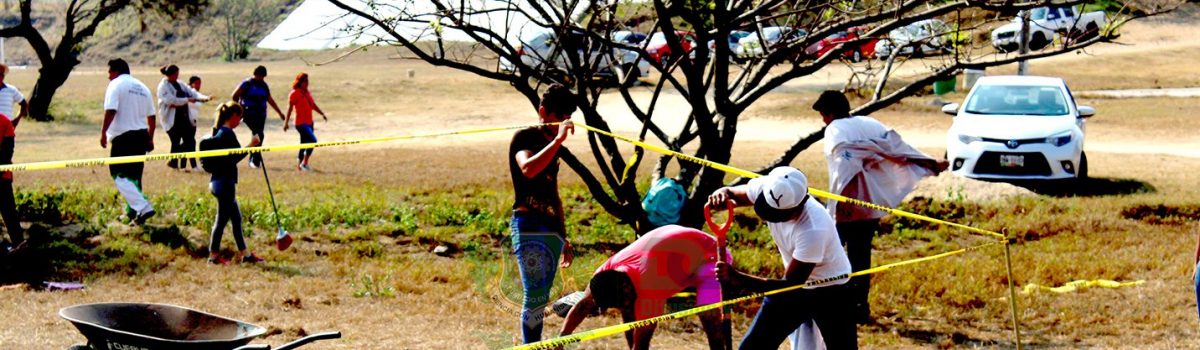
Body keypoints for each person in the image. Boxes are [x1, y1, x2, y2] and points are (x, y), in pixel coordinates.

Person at [813, 90, 944, 324]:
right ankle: (859, 307)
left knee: (830, 256)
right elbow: (900, 149)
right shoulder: (870, 123)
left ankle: (833, 305)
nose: (823, 120)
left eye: (823, 114)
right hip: (870, 205)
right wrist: (929, 162)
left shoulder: (835, 130)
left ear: (830, 113)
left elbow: (845, 169)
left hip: (849, 204)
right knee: (860, 256)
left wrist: (840, 204)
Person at [708, 167, 856, 349]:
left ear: (799, 205)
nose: (771, 216)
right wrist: (721, 193)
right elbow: (733, 194)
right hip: (793, 287)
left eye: (777, 215)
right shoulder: (769, 186)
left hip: (831, 292)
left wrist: (738, 278)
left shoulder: (813, 229)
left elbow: (789, 287)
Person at [559, 224, 729, 349]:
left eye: (620, 304)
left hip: (713, 256)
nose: (620, 309)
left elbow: (642, 345)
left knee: (709, 315)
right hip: (675, 246)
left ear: (626, 290)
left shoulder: (651, 288)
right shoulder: (605, 273)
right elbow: (584, 304)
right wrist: (561, 339)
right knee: (629, 308)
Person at [508, 83, 576, 343]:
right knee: (535, 295)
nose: (562, 125)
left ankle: (533, 344)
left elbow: (553, 193)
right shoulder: (524, 137)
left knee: (541, 296)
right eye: (559, 119)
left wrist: (563, 234)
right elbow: (528, 169)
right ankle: (531, 347)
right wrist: (558, 140)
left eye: (566, 121)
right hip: (528, 223)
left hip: (548, 225)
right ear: (543, 111)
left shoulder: (552, 146)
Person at [203, 102, 264, 265]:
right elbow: (233, 158)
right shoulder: (227, 134)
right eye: (240, 116)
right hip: (225, 184)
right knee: (223, 221)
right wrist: (251, 146)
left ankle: (244, 254)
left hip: (218, 183)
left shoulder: (219, 132)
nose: (241, 120)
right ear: (234, 116)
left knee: (234, 219)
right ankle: (214, 256)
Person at [101, 58, 157, 226]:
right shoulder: (142, 87)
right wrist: (150, 137)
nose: (108, 77)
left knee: (118, 174)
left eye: (109, 72)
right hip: (141, 136)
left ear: (116, 71)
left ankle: (143, 207)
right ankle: (134, 214)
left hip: (124, 137)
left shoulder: (116, 84)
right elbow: (152, 116)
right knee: (134, 176)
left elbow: (111, 110)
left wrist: (103, 132)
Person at [157, 65, 210, 171]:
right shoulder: (163, 86)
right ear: (170, 74)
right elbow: (171, 101)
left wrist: (203, 98)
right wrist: (187, 100)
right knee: (176, 141)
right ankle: (175, 164)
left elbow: (192, 92)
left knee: (189, 141)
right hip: (172, 118)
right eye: (175, 74)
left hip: (184, 116)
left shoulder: (180, 84)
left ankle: (181, 164)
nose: (177, 76)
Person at [230, 65, 285, 168]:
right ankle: (255, 160)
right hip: (248, 113)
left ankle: (254, 159)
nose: (261, 78)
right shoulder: (247, 84)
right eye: (260, 76)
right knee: (259, 135)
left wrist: (280, 113)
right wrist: (238, 109)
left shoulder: (264, 85)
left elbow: (270, 100)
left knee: (257, 135)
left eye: (263, 77)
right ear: (255, 74)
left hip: (261, 115)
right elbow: (234, 95)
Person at [0, 64, 26, 251]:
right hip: (3, 173)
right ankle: (17, 242)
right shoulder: (5, 124)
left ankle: (18, 243)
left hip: (2, 172)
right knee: (8, 210)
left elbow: (7, 154)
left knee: (8, 210)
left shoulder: (6, 123)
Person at [283, 73, 327, 171]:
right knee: (313, 140)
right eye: (305, 81)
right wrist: (286, 123)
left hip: (309, 122)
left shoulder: (307, 93)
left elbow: (313, 105)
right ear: (300, 82)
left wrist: (322, 113)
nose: (307, 83)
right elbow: (289, 109)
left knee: (304, 143)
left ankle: (299, 166)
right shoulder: (294, 94)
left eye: (308, 81)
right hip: (300, 123)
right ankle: (304, 163)